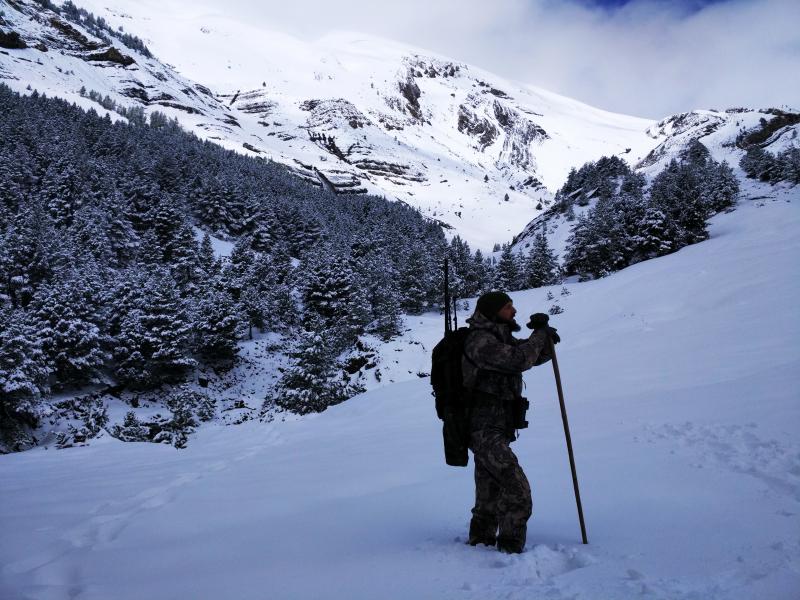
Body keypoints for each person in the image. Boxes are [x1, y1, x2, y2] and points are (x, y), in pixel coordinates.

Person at [462, 291, 558, 553]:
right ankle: (510, 546)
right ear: (493, 311)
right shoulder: (480, 340)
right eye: (507, 307)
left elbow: (530, 356)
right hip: (483, 429)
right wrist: (539, 336)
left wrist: (545, 341)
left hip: (496, 426)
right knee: (516, 487)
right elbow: (519, 360)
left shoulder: (499, 336)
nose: (513, 311)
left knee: (489, 491)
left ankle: (479, 541)